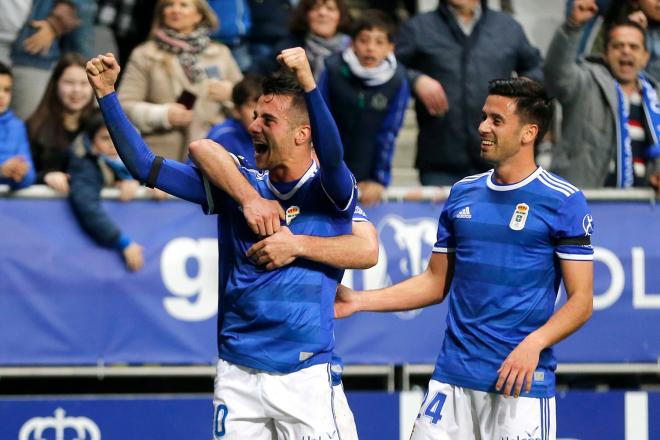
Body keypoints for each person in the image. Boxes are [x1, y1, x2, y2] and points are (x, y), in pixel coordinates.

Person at [86, 46, 371, 438]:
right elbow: (145, 165)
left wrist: (307, 80)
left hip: (304, 375)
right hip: (237, 374)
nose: (254, 126)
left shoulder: (329, 191)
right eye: (254, 116)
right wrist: (107, 95)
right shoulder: (238, 189)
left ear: (303, 133)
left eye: (267, 119)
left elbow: (335, 156)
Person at [335, 79, 594, 439]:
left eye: (496, 120)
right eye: (484, 117)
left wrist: (534, 344)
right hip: (452, 379)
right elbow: (434, 281)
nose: (482, 127)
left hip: (518, 383)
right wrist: (359, 300)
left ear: (528, 132)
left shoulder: (563, 200)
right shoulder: (463, 193)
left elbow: (581, 301)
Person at [395, 0, 543, 186]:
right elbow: (391, 66)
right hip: (440, 162)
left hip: (501, 159)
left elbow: (536, 68)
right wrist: (415, 79)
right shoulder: (419, 27)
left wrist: (526, 86)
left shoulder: (508, 27)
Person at [545, 0, 660, 190]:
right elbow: (556, 73)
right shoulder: (585, 83)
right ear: (605, 54)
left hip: (641, 211)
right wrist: (572, 27)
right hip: (587, 206)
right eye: (618, 46)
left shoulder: (654, 97)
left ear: (645, 57)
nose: (626, 51)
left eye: (633, 47)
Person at [117, 0, 242, 161]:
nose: (175, 10)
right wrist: (162, 115)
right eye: (169, 5)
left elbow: (249, 104)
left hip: (215, 154)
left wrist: (232, 94)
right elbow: (123, 107)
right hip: (162, 157)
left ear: (199, 15)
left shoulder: (221, 54)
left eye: (183, 5)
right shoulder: (144, 54)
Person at [318, 10, 409, 206]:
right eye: (364, 40)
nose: (370, 48)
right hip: (325, 169)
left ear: (390, 48)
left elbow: (388, 134)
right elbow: (319, 122)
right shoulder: (332, 69)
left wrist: (378, 180)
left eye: (379, 42)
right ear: (352, 44)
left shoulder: (398, 81)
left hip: (366, 176)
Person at [67, 110, 144, 272]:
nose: (113, 144)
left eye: (117, 137)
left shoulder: (134, 161)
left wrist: (151, 186)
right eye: (105, 138)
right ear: (91, 141)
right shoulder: (85, 165)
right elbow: (88, 206)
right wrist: (122, 242)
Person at [27, 52, 95, 194]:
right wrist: (45, 177)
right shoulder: (34, 127)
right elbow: (22, 174)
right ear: (55, 84)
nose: (77, 90)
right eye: (69, 83)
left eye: (84, 83)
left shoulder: (102, 125)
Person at [10, 0, 83, 119]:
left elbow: (81, 7)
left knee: (23, 120)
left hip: (32, 52)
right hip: (25, 51)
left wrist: (55, 24)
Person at [250, 0, 352, 80]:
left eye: (330, 9)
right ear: (306, 15)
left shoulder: (352, 48)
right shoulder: (289, 45)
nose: (322, 13)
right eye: (315, 7)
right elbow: (257, 74)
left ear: (340, 16)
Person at [205, 75, 263, 168]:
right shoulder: (222, 136)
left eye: (262, 105)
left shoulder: (273, 132)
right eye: (251, 105)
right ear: (236, 110)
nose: (257, 112)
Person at [0, 61, 36, 190]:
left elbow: (30, 175)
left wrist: (20, 172)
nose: (1, 95)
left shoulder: (18, 126)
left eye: (7, 90)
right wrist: (1, 171)